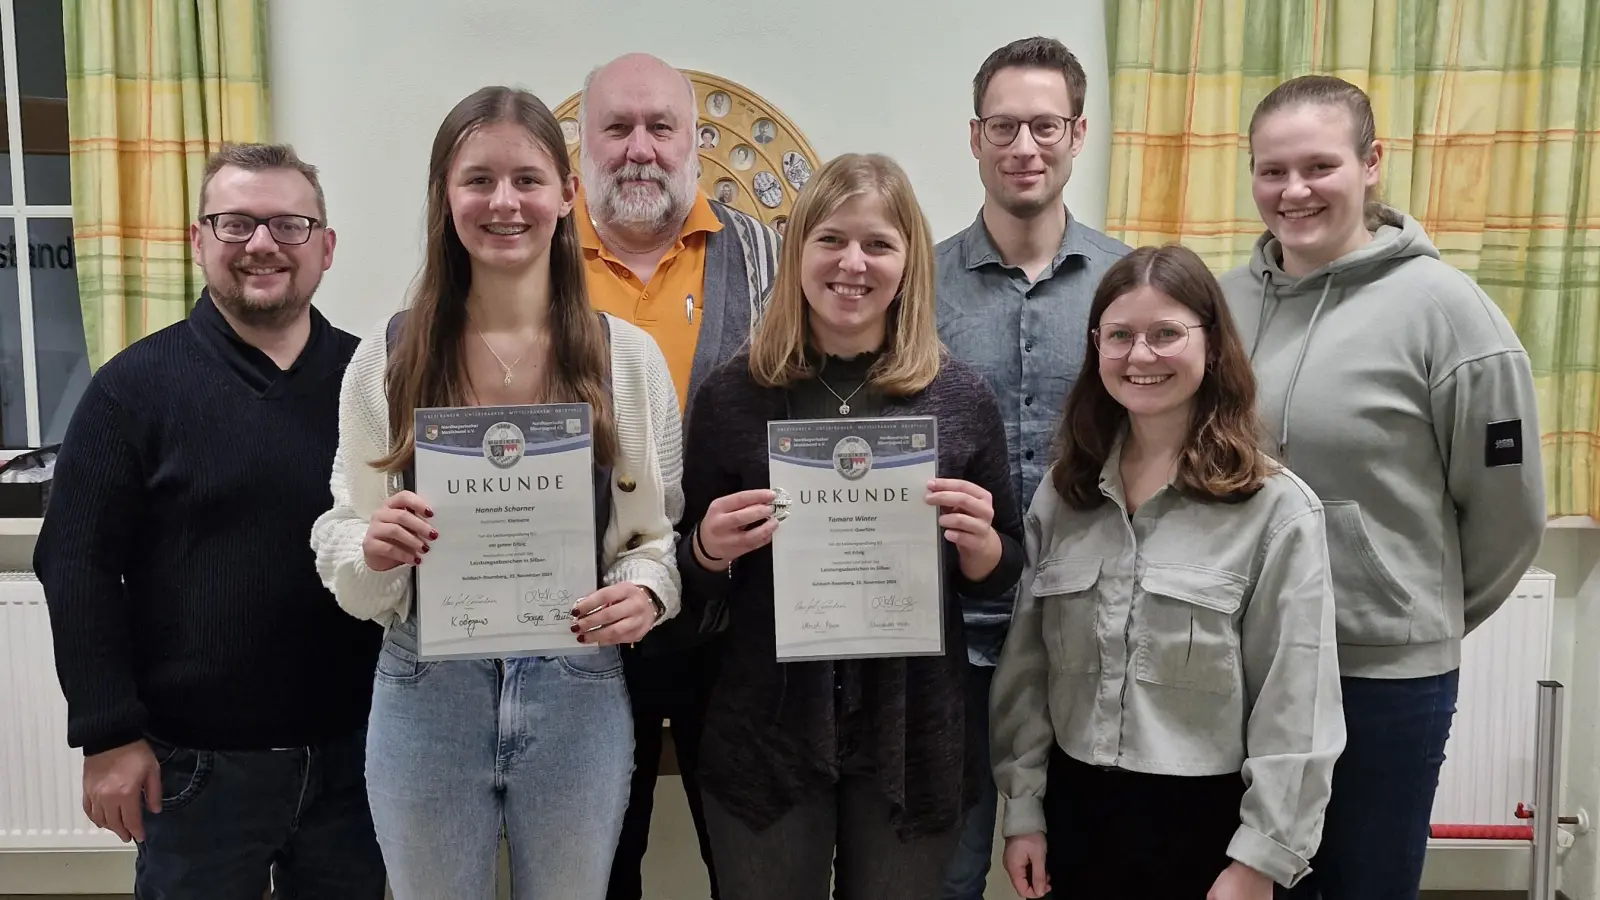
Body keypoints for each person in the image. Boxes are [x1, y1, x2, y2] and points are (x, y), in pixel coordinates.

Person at [307, 85, 683, 900]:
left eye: (528, 179)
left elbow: (656, 541)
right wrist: (373, 551)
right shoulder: (388, 357)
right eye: (477, 180)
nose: (504, 202)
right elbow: (344, 538)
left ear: (567, 195)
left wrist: (646, 593)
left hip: (577, 686)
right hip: (424, 690)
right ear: (445, 197)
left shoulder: (629, 360)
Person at [1219, 74, 1545, 900]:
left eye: (1318, 166)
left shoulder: (1448, 313)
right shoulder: (1219, 307)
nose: (1293, 191)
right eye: (1271, 170)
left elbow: (1507, 517)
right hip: (1243, 668)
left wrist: (1410, 616)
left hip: (1383, 684)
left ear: (1371, 164)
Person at [33, 143, 386, 898]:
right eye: (235, 224)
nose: (262, 245)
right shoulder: (131, 391)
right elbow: (74, 563)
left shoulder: (375, 385)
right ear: (198, 242)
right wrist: (108, 732)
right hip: (193, 771)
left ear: (325, 247)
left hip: (357, 762)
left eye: (289, 225)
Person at [677, 152, 1025, 900]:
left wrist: (983, 547)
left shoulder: (959, 397)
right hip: (767, 730)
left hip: (912, 729)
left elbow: (1003, 569)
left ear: (909, 263)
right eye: (831, 239)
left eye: (879, 244)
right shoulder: (733, 397)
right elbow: (684, 583)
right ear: (799, 248)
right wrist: (708, 549)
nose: (853, 263)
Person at [990, 243, 1346, 900]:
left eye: (1166, 335)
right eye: (1120, 336)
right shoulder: (1063, 497)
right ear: (1096, 347)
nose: (1141, 356)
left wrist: (1259, 860)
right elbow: (1027, 671)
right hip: (1079, 818)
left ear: (1210, 345)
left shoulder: (1275, 509)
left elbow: (1298, 703)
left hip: (1210, 831)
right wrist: (1023, 813)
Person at [576, 50, 781, 900]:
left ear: (692, 141)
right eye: (617, 128)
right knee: (593, 864)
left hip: (736, 627)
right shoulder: (529, 263)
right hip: (582, 621)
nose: (639, 148)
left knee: (751, 861)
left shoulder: (770, 256)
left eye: (661, 127)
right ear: (582, 144)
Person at [932, 35, 1131, 899]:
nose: (1025, 146)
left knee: (1086, 872)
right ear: (974, 136)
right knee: (942, 874)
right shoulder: (917, 287)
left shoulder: (1131, 286)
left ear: (1078, 133)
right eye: (1004, 126)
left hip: (1095, 640)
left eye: (1045, 125)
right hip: (951, 644)